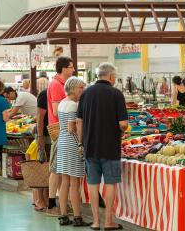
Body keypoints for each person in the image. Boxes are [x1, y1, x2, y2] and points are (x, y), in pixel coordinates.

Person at [77, 63, 128, 230]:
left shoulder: (85, 93)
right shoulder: (116, 94)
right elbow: (123, 123)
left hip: (90, 146)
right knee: (110, 183)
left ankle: (96, 221)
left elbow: (79, 121)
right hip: (110, 147)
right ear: (112, 76)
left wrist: (81, 142)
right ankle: (108, 221)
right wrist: (124, 129)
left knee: (92, 183)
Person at [56, 77, 91, 227]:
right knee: (74, 183)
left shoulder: (62, 103)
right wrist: (81, 143)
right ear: (72, 89)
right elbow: (72, 128)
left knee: (65, 181)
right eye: (80, 88)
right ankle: (77, 216)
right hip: (71, 143)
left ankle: (63, 215)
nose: (82, 91)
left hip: (62, 141)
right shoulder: (73, 105)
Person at [46, 56, 75, 217]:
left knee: (60, 169)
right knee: (56, 169)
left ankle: (61, 203)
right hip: (59, 130)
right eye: (71, 67)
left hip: (62, 130)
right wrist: (72, 101)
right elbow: (57, 111)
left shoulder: (60, 84)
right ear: (64, 68)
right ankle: (51, 205)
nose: (73, 70)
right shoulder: (57, 85)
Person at [33, 85, 50, 212]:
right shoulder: (45, 94)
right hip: (44, 135)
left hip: (54, 136)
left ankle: (47, 197)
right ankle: (39, 199)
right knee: (42, 167)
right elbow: (40, 117)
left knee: (50, 169)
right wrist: (40, 137)